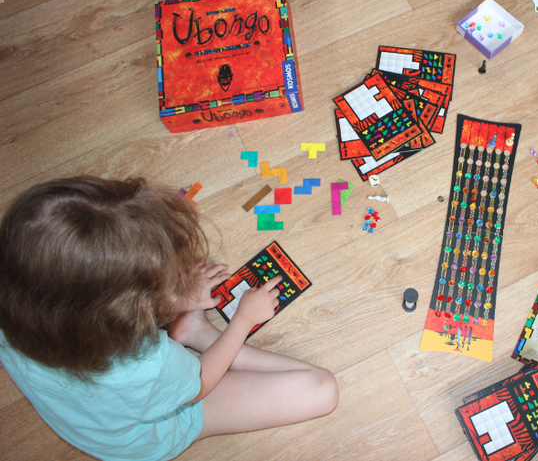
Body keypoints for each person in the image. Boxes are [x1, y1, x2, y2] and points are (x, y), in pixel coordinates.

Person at [0, 176, 338, 460]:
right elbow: (199, 385)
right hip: (150, 434)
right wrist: (243, 320)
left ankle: (192, 328)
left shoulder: (16, 293)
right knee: (321, 389)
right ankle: (200, 335)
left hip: (93, 415)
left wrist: (175, 300)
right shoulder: (142, 364)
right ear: (129, 313)